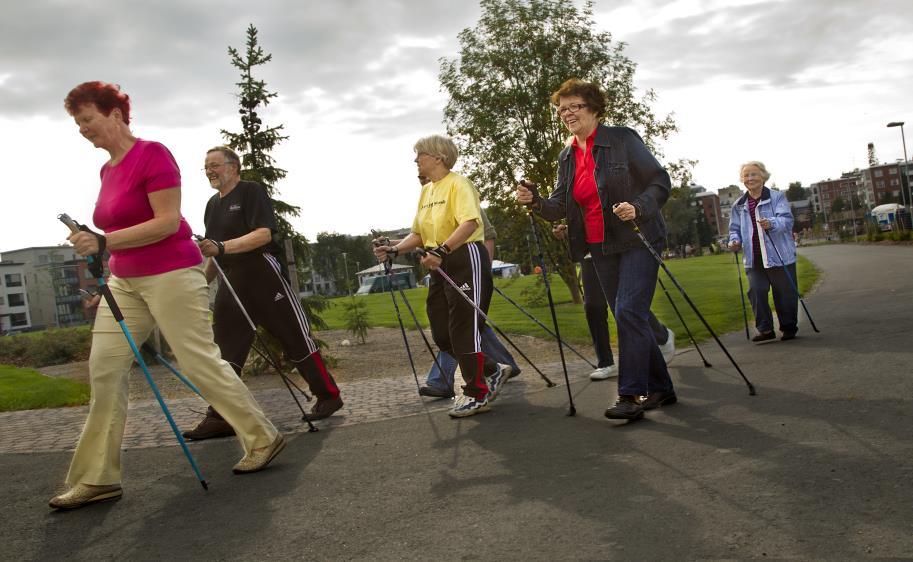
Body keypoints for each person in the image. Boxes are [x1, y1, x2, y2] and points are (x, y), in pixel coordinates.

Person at [51, 82, 283, 510]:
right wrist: (97, 241)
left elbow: (166, 222)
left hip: (172, 274)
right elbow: (115, 233)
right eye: (77, 123)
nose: (82, 129)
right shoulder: (107, 170)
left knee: (198, 361)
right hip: (124, 282)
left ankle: (262, 436)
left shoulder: (152, 154)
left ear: (116, 114)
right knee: (103, 369)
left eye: (87, 119)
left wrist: (103, 241)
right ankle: (98, 478)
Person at [516, 78, 676, 420]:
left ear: (594, 108)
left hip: (637, 235)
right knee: (627, 313)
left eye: (575, 106)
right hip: (599, 244)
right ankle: (661, 386)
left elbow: (660, 181)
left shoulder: (622, 139)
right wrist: (536, 202)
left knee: (629, 311)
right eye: (562, 109)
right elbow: (560, 204)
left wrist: (638, 206)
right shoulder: (567, 155)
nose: (567, 113)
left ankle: (631, 395)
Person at [181, 146, 343, 441]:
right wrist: (202, 284)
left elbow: (264, 233)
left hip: (262, 274)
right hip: (231, 280)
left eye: (215, 165)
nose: (209, 171)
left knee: (294, 337)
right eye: (205, 167)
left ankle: (328, 396)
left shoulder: (250, 191)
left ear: (233, 166)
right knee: (225, 350)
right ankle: (221, 416)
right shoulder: (211, 205)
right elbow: (213, 252)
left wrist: (223, 247)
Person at [373, 135, 510, 418]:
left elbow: (470, 222)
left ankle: (477, 392)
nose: (416, 160)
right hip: (440, 263)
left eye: (420, 154)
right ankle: (493, 369)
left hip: (464, 257)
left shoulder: (459, 184)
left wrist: (443, 249)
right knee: (442, 333)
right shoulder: (427, 191)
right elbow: (419, 233)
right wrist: (395, 249)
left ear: (438, 157)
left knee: (463, 329)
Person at [552, 223, 675, 381]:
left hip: (613, 243)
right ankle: (605, 362)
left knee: (624, 303)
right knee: (593, 306)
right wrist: (562, 228)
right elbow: (561, 204)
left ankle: (661, 335)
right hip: (589, 249)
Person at [420, 206, 520, 398]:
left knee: (463, 328)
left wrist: (484, 270)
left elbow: (488, 236)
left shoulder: (461, 195)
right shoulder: (432, 203)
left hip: (470, 269)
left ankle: (442, 380)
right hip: (447, 274)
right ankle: (503, 366)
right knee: (469, 327)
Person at [728, 161, 798, 342]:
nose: (750, 178)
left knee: (784, 293)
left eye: (754, 174)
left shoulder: (777, 197)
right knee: (756, 291)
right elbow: (734, 228)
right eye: (746, 175)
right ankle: (765, 329)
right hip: (754, 257)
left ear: (763, 176)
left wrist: (772, 223)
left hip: (779, 255)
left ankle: (788, 327)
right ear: (742, 179)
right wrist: (734, 240)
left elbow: (787, 221)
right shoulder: (739, 204)